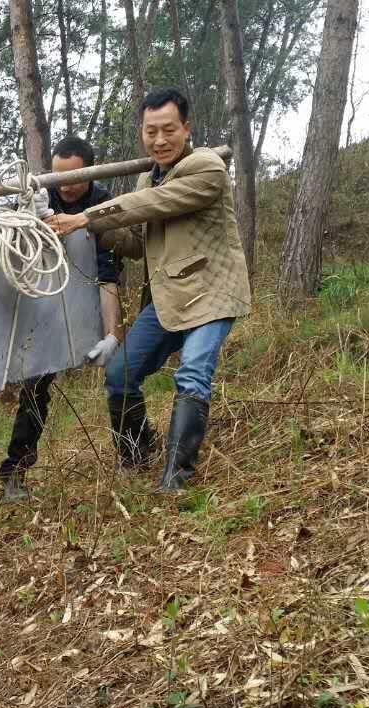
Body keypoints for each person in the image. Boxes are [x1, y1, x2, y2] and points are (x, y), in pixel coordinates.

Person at [47, 88, 251, 493]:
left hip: (210, 292)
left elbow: (155, 203)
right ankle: (137, 455)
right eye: (151, 131)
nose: (159, 140)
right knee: (120, 373)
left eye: (168, 130)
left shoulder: (206, 168)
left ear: (186, 128)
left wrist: (87, 217)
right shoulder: (147, 177)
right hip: (167, 297)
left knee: (192, 373)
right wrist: (87, 233)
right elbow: (139, 242)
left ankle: (176, 478)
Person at [0, 135, 124, 503]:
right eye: (58, 176)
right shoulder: (35, 192)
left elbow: (107, 272)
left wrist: (111, 332)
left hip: (62, 306)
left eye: (75, 177)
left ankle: (16, 469)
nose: (66, 185)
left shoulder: (101, 203)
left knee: (38, 386)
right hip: (16, 295)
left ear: (91, 171)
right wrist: (19, 213)